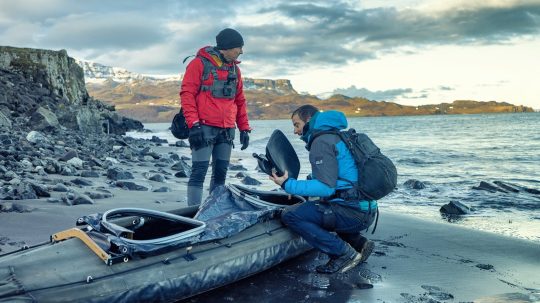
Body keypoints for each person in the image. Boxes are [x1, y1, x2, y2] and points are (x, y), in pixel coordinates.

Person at [270, 105, 376, 274]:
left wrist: (287, 185)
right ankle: (359, 244)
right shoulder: (335, 136)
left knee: (291, 214)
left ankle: (342, 254)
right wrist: (300, 188)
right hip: (365, 210)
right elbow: (336, 179)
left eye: (296, 125)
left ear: (308, 120)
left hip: (353, 213)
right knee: (321, 204)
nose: (295, 131)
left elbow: (326, 187)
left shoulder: (321, 142)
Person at [180, 28, 251, 206]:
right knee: (199, 171)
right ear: (226, 47)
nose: (241, 51)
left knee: (220, 174)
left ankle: (213, 210)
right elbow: (187, 94)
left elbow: (240, 100)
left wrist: (244, 128)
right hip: (203, 128)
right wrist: (193, 125)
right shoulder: (198, 64)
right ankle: (193, 215)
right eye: (238, 47)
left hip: (227, 130)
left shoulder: (235, 69)